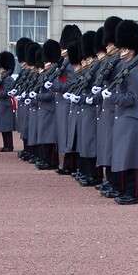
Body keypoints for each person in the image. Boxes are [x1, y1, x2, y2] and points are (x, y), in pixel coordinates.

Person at [102, 19, 138, 205]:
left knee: (132, 158)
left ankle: (135, 193)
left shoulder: (135, 71)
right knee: (124, 156)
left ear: (131, 50)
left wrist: (111, 97)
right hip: (123, 117)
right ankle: (125, 190)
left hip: (131, 117)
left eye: (124, 50)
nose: (121, 53)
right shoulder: (125, 67)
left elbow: (131, 97)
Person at [95, 16, 123, 198]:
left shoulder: (121, 63)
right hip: (107, 110)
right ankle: (110, 180)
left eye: (110, 44)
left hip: (116, 110)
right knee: (107, 148)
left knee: (115, 149)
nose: (108, 47)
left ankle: (115, 182)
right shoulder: (110, 61)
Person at [76, 29, 103, 187]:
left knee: (92, 144)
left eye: (88, 58)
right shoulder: (89, 70)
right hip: (85, 110)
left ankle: (95, 175)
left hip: (94, 110)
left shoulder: (98, 69)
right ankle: (87, 172)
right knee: (85, 143)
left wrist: (86, 98)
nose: (86, 62)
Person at [54, 25, 82, 175]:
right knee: (65, 134)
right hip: (63, 102)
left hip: (68, 101)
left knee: (70, 134)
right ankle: (68, 163)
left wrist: (57, 86)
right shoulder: (64, 61)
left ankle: (71, 164)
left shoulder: (71, 63)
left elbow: (72, 81)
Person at [33, 39, 62, 170]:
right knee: (44, 136)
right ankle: (45, 159)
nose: (45, 64)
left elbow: (51, 94)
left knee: (49, 137)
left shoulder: (55, 74)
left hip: (49, 109)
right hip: (43, 108)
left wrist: (37, 96)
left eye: (47, 61)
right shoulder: (47, 74)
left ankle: (51, 161)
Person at [10, 37, 33, 160]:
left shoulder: (30, 71)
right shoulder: (24, 71)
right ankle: (27, 149)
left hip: (30, 103)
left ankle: (30, 151)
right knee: (25, 128)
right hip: (25, 103)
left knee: (30, 128)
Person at [0, 51, 16, 152]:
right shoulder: (3, 78)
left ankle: (9, 146)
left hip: (6, 106)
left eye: (1, 68)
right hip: (3, 105)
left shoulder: (9, 79)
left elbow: (7, 93)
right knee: (3, 127)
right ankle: (6, 145)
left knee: (7, 128)